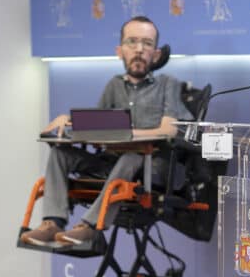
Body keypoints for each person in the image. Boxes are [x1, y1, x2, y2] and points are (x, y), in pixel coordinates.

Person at [21, 16, 193, 246]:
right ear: (119, 50)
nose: (139, 49)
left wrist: (129, 135)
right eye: (131, 42)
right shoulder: (114, 86)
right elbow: (98, 127)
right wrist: (69, 121)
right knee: (60, 154)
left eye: (147, 43)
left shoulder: (168, 84)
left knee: (131, 157)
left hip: (153, 167)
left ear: (156, 54)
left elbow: (169, 130)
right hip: (113, 163)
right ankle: (53, 222)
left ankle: (90, 227)